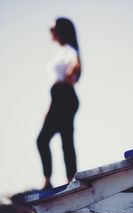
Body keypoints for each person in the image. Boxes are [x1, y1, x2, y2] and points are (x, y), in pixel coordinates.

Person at [37, 17, 81, 189]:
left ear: (61, 31)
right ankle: (53, 179)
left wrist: (72, 73)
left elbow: (76, 64)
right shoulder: (60, 52)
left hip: (65, 96)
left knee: (64, 139)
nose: (50, 31)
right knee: (45, 140)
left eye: (53, 28)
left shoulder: (69, 49)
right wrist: (50, 106)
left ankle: (69, 178)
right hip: (58, 97)